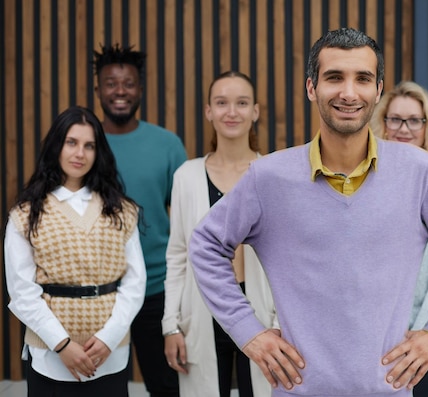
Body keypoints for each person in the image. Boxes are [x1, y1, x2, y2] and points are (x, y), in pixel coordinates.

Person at [189, 28, 428, 397]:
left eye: (362, 79)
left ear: (378, 90)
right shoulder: (269, 177)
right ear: (312, 88)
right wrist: (249, 333)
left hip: (389, 390)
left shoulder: (419, 171)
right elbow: (205, 245)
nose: (348, 92)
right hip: (299, 390)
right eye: (334, 78)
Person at [4, 106, 146, 397]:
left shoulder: (121, 209)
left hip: (109, 355)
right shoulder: (26, 213)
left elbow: (135, 282)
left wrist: (109, 337)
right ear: (56, 146)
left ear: (98, 152)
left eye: (89, 145)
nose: (80, 153)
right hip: (50, 357)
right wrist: (62, 344)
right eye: (71, 142)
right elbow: (21, 291)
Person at [162, 71, 277, 397]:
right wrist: (171, 325)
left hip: (261, 314)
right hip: (201, 313)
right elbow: (178, 256)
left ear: (255, 111)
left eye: (241, 103)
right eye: (222, 103)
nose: (232, 112)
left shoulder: (272, 174)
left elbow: (289, 259)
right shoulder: (187, 176)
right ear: (209, 111)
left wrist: (282, 323)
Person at [93, 44, 188, 396]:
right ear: (98, 90)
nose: (120, 92)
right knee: (99, 386)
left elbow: (184, 222)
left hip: (156, 289)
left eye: (128, 83)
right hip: (98, 292)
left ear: (140, 90)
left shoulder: (167, 145)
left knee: (167, 386)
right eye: (110, 83)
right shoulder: (83, 145)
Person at [370, 80, 428, 397]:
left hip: (413, 336)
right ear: (383, 125)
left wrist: (425, 330)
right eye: (395, 119)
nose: (403, 129)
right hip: (366, 332)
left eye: (414, 120)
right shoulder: (365, 179)